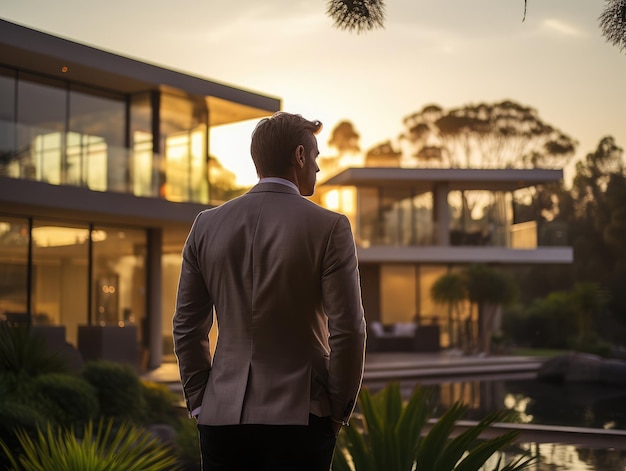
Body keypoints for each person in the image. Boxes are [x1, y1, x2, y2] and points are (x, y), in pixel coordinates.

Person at [172, 111, 366, 471]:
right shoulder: (330, 227)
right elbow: (349, 330)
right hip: (302, 417)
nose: (319, 169)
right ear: (299, 156)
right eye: (317, 156)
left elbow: (187, 325)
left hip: (221, 418)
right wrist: (337, 410)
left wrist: (201, 400)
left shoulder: (205, 225)